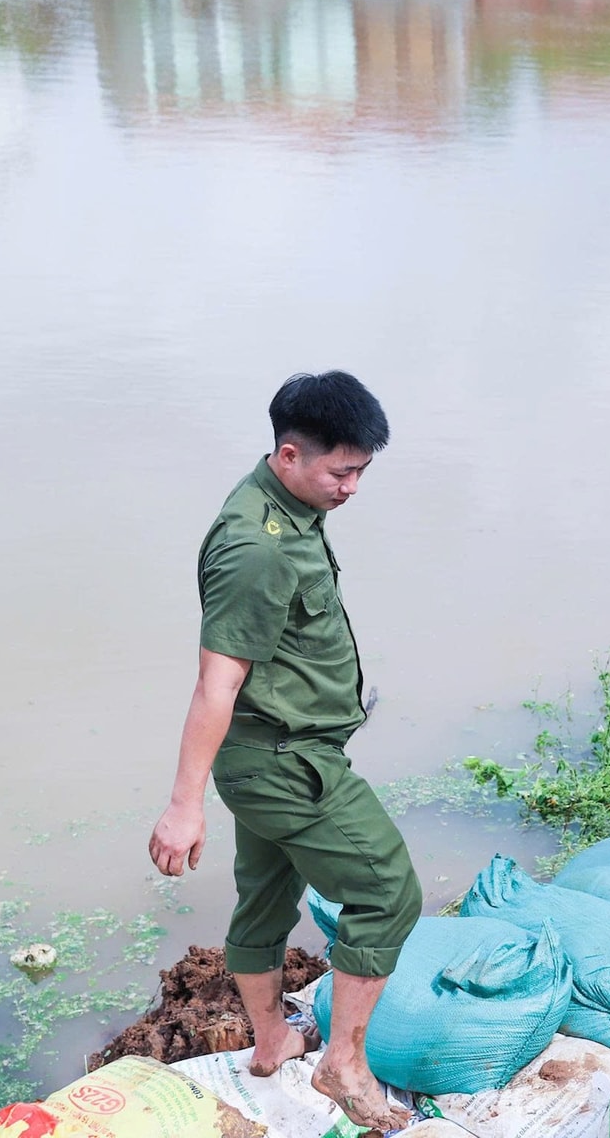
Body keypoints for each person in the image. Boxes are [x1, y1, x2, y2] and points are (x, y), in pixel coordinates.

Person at [148, 372, 419, 1131]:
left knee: (266, 896)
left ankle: (271, 1042)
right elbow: (217, 682)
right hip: (285, 762)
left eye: (361, 471)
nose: (352, 488)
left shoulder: (290, 506)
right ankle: (343, 1065)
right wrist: (183, 805)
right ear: (291, 454)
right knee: (388, 892)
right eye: (342, 472)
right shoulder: (256, 549)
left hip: (270, 751)